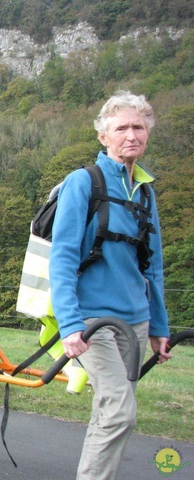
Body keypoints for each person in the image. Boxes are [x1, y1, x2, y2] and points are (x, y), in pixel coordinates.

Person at [49, 91, 172, 480]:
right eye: (121, 128)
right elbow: (63, 257)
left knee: (112, 412)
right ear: (104, 136)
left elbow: (152, 267)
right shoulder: (83, 182)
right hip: (92, 321)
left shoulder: (146, 191)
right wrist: (68, 324)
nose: (131, 135)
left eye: (138, 126)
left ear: (148, 132)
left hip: (134, 322)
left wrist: (159, 327)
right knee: (120, 410)